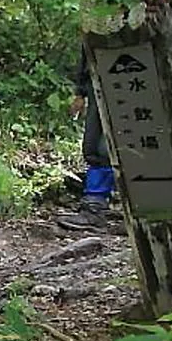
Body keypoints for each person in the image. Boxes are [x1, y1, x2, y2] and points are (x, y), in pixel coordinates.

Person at [56, 47, 113, 230]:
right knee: (94, 146)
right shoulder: (94, 21)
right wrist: (80, 92)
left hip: (133, 79)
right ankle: (94, 207)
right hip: (98, 81)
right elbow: (87, 50)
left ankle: (97, 208)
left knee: (107, 148)